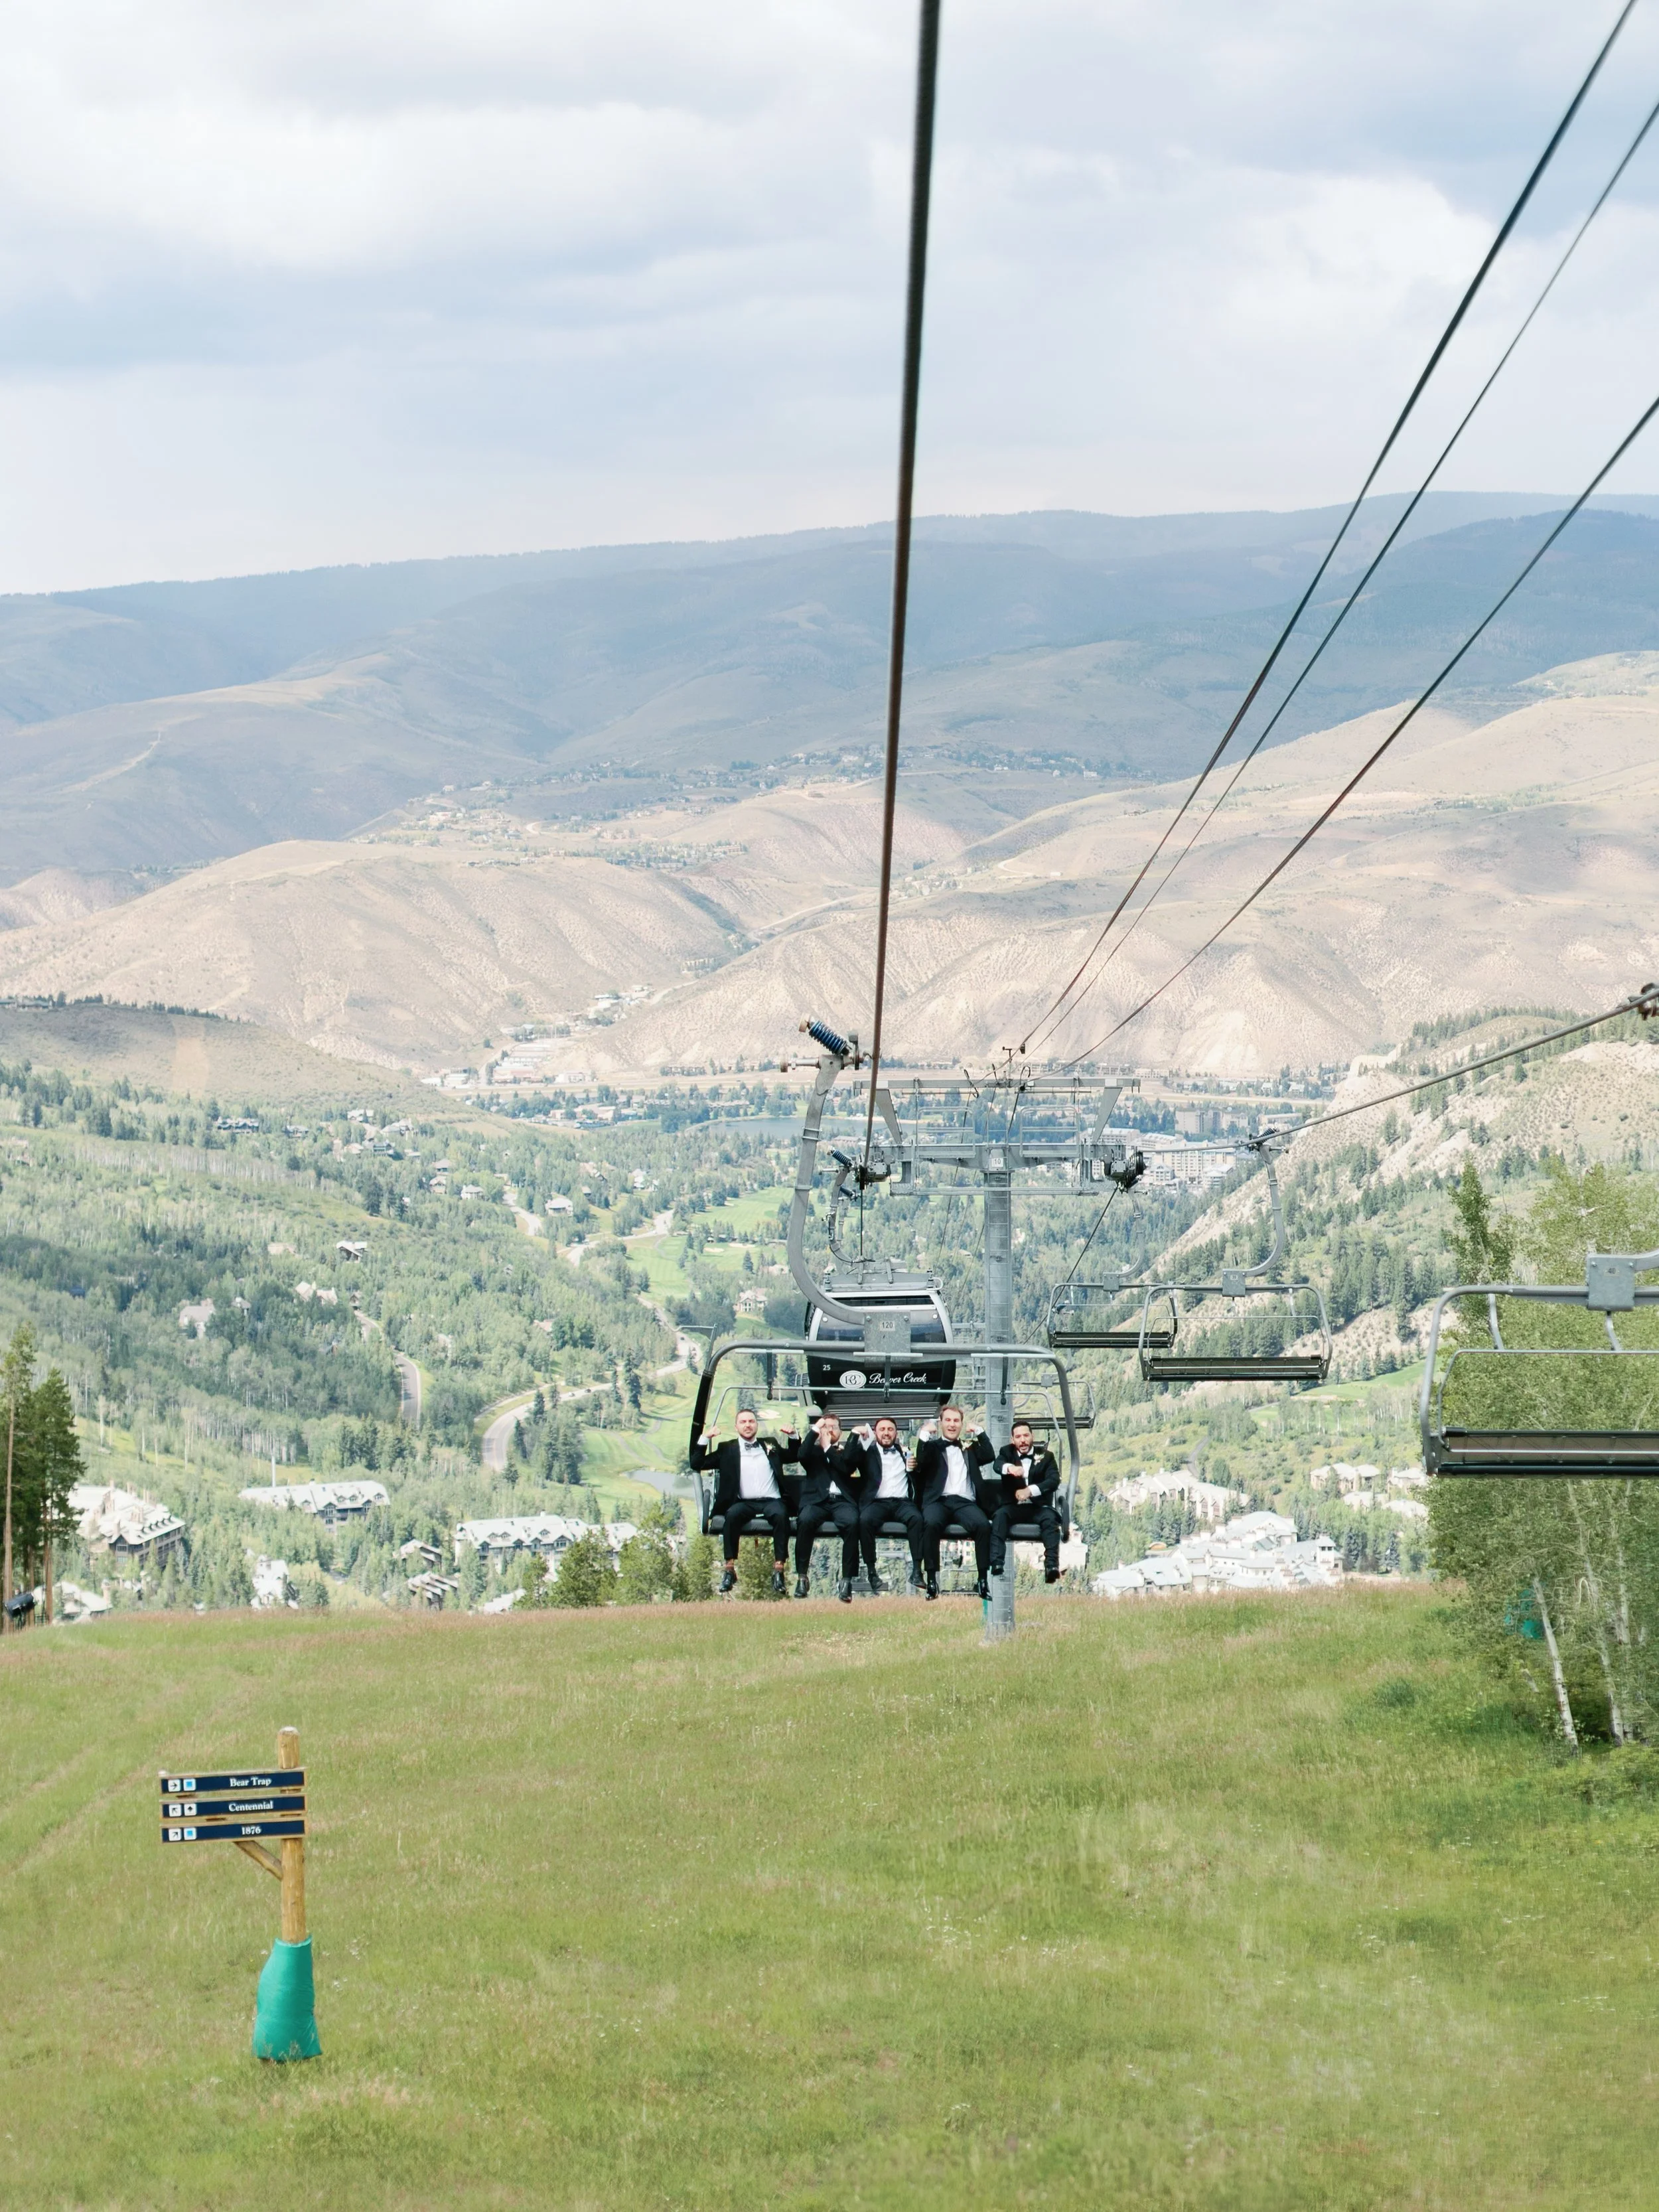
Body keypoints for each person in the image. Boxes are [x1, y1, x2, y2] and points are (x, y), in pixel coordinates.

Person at [690, 1405, 800, 1595]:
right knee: (732, 1515)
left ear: (757, 1425)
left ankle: (779, 1569)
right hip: (744, 1501)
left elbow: (794, 1456)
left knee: (781, 1515)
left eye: (751, 1421)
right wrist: (705, 1438)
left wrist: (793, 1436)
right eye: (743, 1422)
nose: (747, 1425)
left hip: (771, 1500)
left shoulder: (770, 1444)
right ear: (737, 1427)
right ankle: (729, 1568)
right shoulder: (727, 1449)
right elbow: (697, 1463)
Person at [912, 1403, 995, 1599]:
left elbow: (989, 1455)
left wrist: (980, 1433)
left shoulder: (969, 1448)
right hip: (938, 1500)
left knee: (983, 1526)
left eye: (956, 1421)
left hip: (964, 1502)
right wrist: (924, 1434)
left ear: (961, 1424)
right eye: (948, 1420)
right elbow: (921, 1460)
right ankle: (932, 1579)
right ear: (941, 1423)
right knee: (931, 1523)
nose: (952, 1425)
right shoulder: (932, 1447)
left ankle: (982, 1580)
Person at [851, 1414, 926, 1593]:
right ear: (876, 1433)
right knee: (865, 1521)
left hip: (902, 1502)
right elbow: (849, 1459)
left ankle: (917, 1570)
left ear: (896, 1433)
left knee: (917, 1519)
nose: (886, 1433)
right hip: (877, 1502)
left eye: (890, 1429)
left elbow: (919, 1477)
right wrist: (855, 1435)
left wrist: (914, 1469)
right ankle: (872, 1571)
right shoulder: (867, 1452)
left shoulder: (905, 1451)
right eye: (882, 1430)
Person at [793, 1412, 861, 1602]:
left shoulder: (848, 1451)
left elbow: (846, 1468)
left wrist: (828, 1448)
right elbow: (802, 1454)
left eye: (834, 1427)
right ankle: (802, 1576)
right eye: (826, 1427)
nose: (830, 1430)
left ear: (841, 1431)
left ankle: (847, 1581)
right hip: (817, 1501)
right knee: (805, 1520)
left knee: (852, 1523)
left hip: (842, 1501)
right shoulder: (812, 1452)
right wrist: (816, 1430)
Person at [989, 1419, 1062, 1582]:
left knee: (1050, 1520)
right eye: (1018, 1437)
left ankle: (1051, 1565)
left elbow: (1053, 1480)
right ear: (1012, 1440)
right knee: (1000, 1517)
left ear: (1032, 1437)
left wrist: (1030, 1491)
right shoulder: (1007, 1452)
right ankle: (997, 1562)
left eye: (1026, 1436)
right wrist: (1011, 1468)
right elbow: (997, 1465)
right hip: (1013, 1506)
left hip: (1038, 1507)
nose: (1022, 1440)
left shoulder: (1046, 1456)